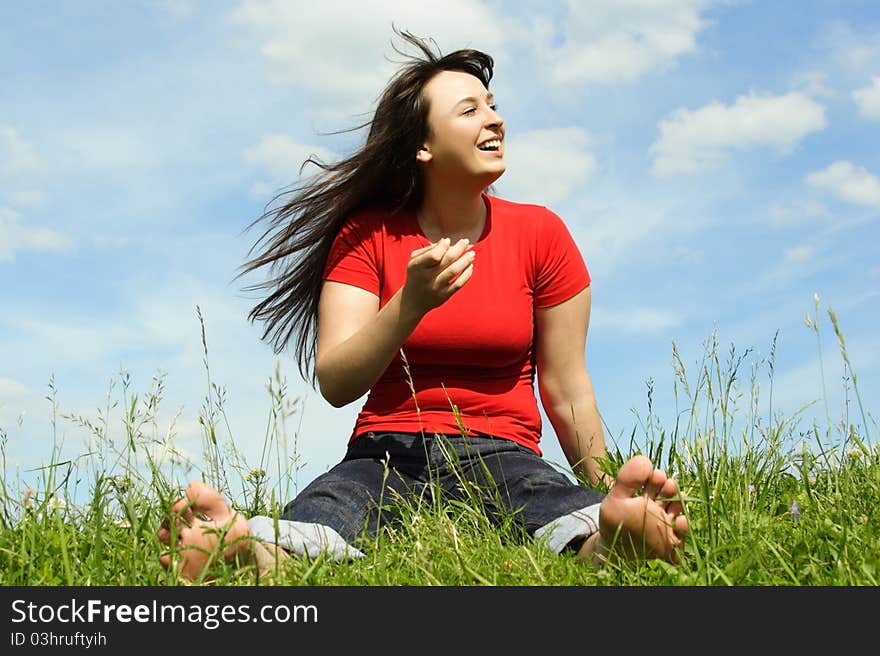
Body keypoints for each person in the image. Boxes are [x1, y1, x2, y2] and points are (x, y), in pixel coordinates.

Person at [157, 29, 688, 581]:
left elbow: (566, 385)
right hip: (383, 451)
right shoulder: (368, 236)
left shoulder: (542, 234)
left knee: (552, 505)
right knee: (330, 513)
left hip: (501, 450)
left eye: (493, 106)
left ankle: (615, 539)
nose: (495, 119)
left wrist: (603, 489)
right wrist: (409, 305)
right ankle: (248, 555)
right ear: (424, 146)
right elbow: (337, 381)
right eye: (469, 110)